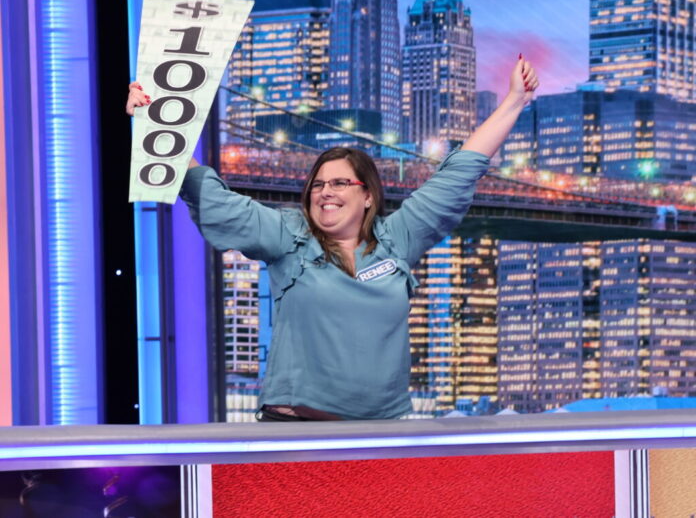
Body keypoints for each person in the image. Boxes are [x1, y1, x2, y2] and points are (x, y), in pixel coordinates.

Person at [127, 56, 539, 421]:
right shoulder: (288, 234)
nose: (325, 192)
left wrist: (515, 101)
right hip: (297, 434)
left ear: (368, 195)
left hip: (381, 435)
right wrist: (154, 124)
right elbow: (214, 197)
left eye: (340, 183)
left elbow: (460, 171)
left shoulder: (399, 237)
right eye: (318, 184)